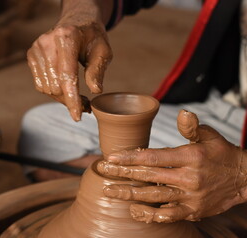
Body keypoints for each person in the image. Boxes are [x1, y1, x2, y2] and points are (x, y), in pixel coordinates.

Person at [19, 0, 247, 224]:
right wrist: (81, 17)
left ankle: (203, 201)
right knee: (42, 130)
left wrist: (241, 174)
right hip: (225, 101)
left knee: (208, 188)